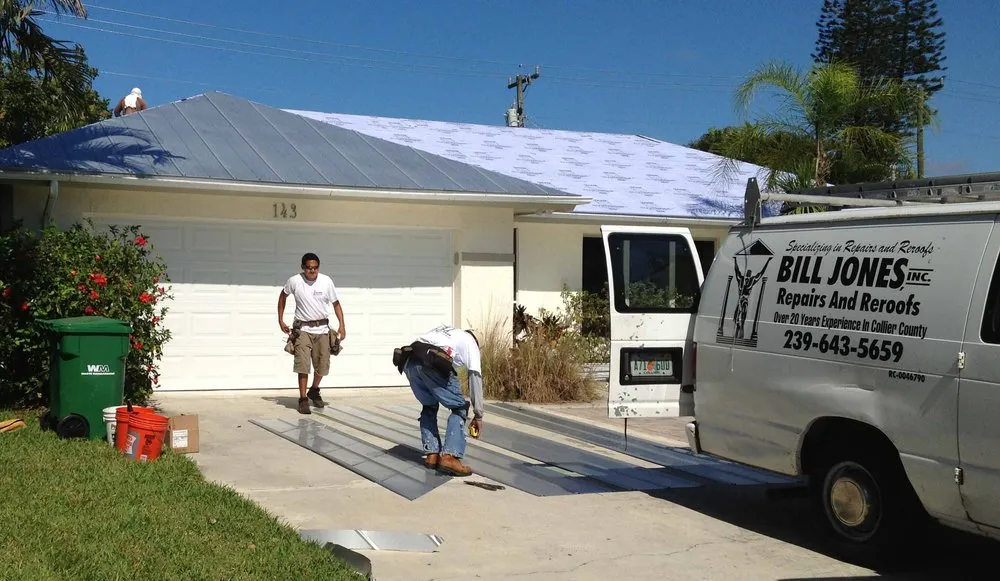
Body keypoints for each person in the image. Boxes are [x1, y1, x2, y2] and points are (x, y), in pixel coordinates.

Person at [398, 324, 484, 477]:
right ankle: (450, 456)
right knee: (459, 407)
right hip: (432, 362)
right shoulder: (471, 343)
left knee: (429, 405)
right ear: (476, 342)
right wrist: (478, 415)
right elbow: (475, 379)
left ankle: (432, 454)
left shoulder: (448, 332)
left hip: (409, 361)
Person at [277, 253, 346, 414]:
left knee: (323, 366)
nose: (312, 271)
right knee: (303, 365)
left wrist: (342, 325)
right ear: (303, 267)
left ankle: (314, 390)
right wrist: (280, 319)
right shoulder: (294, 281)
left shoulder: (326, 281)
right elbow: (283, 296)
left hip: (322, 330)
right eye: (309, 268)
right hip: (302, 330)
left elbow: (336, 303)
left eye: (315, 268)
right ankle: (302, 399)